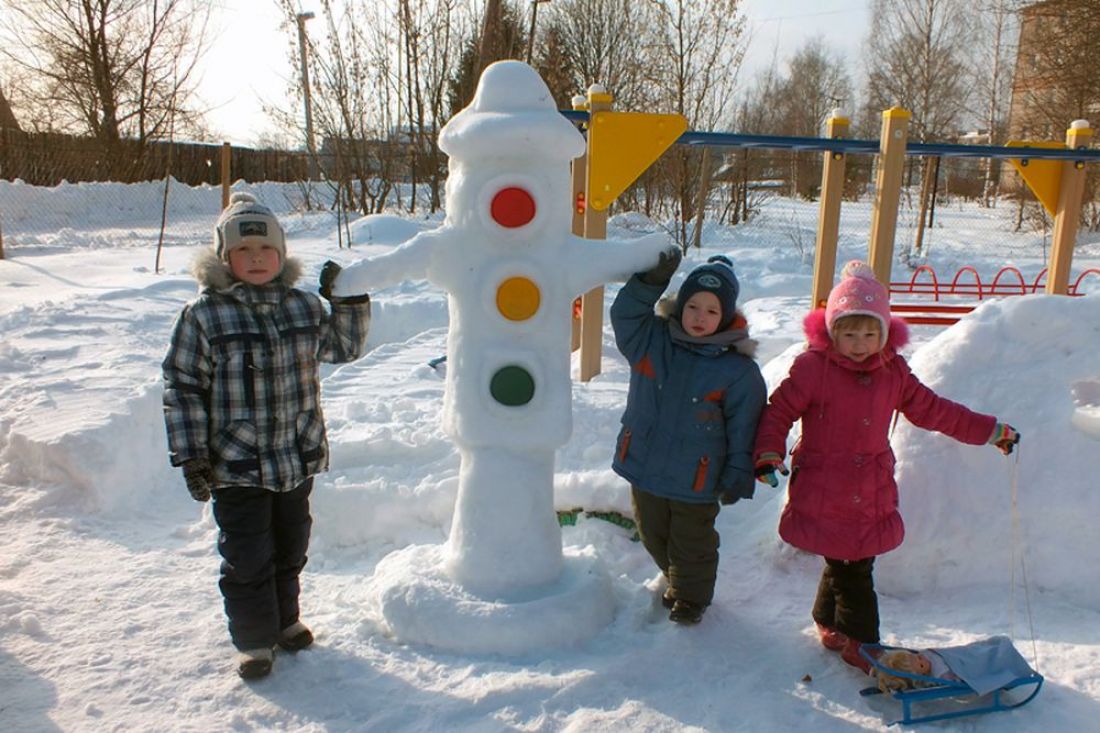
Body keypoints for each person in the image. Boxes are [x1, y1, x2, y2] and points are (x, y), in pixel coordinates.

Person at [752, 261, 1020, 672]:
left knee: (848, 561)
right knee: (852, 567)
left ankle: (829, 622)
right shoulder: (813, 369)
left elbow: (934, 410)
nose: (860, 344)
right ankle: (863, 644)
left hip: (871, 486)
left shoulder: (892, 372)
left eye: (869, 333)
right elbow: (778, 412)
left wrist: (989, 430)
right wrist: (769, 452)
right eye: (849, 333)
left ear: (884, 332)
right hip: (825, 485)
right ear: (832, 331)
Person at [162, 192, 371, 679]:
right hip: (236, 464)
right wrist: (191, 454)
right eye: (243, 251)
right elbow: (183, 385)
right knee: (247, 555)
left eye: (265, 250)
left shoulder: (301, 307)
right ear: (224, 258)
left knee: (290, 545)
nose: (256, 259)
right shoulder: (204, 316)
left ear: (281, 255)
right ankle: (255, 641)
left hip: (296, 457)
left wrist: (349, 301)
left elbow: (343, 348)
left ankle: (285, 621)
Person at [611, 250, 767, 624]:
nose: (700, 317)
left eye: (712, 311)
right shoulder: (651, 340)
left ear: (726, 317)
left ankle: (691, 599)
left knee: (692, 543)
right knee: (652, 533)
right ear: (679, 305)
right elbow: (625, 315)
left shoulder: (737, 371)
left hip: (697, 477)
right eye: (693, 305)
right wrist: (649, 283)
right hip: (645, 464)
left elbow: (746, 427)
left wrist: (738, 472)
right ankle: (677, 578)